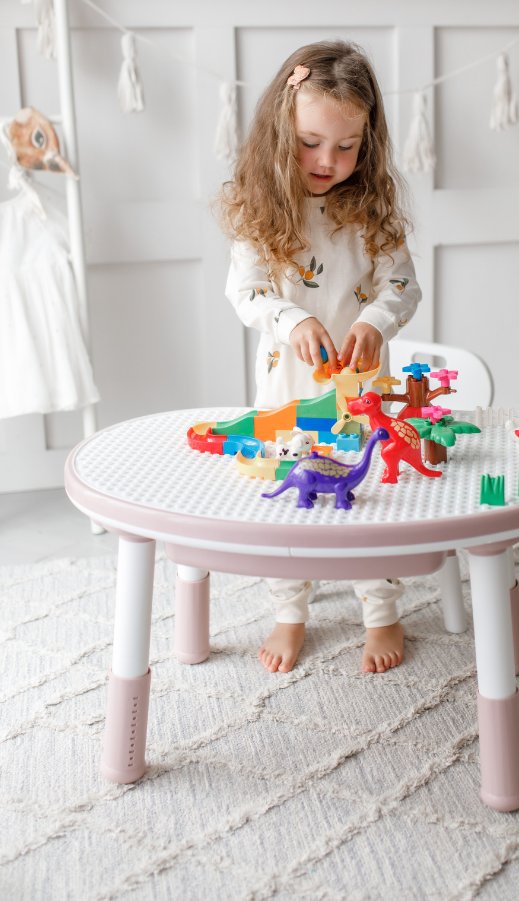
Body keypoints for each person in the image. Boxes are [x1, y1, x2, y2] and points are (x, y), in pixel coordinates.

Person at [219, 41, 422, 675]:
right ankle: (290, 610)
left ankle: (381, 611)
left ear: (368, 141)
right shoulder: (261, 210)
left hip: (359, 388)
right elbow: (246, 292)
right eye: (310, 142)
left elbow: (403, 285)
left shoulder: (370, 210)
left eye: (347, 146)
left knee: (368, 494)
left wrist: (373, 321)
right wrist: (293, 318)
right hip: (288, 391)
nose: (328, 161)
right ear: (281, 133)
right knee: (290, 499)